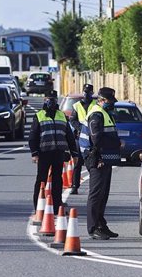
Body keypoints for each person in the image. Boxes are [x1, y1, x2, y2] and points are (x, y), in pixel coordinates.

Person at [28, 90, 79, 215]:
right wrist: (34, 153)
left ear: (57, 101)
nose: (50, 101)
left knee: (57, 181)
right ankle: (38, 207)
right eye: (48, 98)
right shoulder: (39, 115)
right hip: (44, 153)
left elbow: (70, 137)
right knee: (41, 180)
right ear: (44, 100)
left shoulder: (61, 115)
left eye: (53, 99)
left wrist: (74, 154)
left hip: (58, 153)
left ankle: (57, 207)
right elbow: (33, 137)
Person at [85, 87, 121, 240]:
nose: (112, 103)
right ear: (101, 100)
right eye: (110, 101)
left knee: (103, 194)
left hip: (105, 159)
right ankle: (93, 228)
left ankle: (101, 224)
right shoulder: (96, 114)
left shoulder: (104, 113)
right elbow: (95, 138)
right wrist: (97, 158)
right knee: (96, 194)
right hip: (97, 159)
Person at [68, 83, 96, 195]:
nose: (86, 94)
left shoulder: (95, 104)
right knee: (78, 163)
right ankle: (75, 186)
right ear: (82, 92)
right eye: (85, 91)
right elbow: (72, 120)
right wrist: (81, 128)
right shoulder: (77, 105)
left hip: (92, 138)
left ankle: (92, 188)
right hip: (80, 138)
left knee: (91, 163)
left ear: (92, 93)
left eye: (89, 92)